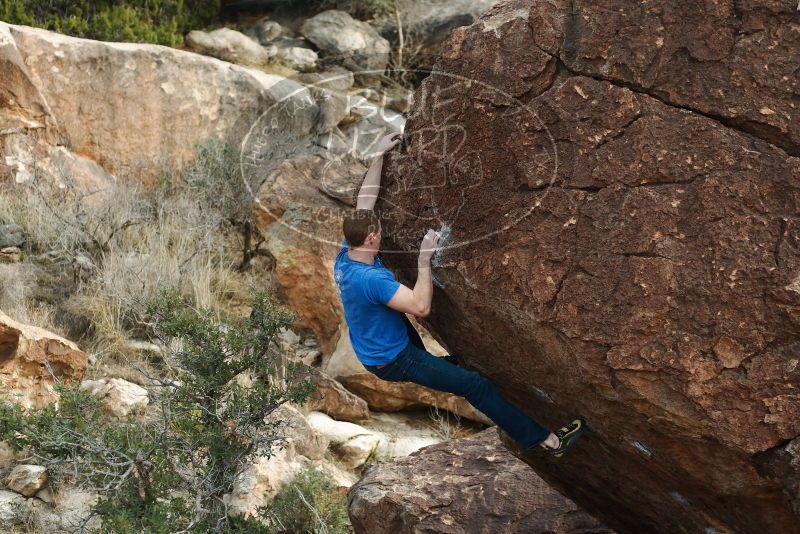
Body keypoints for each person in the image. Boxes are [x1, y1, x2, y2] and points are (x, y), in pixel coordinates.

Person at [332, 132, 585, 457]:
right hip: (393, 359)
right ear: (369, 240)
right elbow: (421, 306)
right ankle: (548, 442)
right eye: (378, 235)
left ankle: (492, 394)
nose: (381, 236)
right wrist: (425, 260)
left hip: (382, 341)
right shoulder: (370, 280)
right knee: (473, 384)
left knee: (460, 366)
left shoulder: (348, 252)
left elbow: (365, 201)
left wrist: (379, 155)